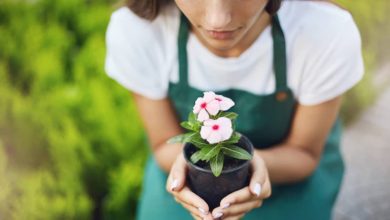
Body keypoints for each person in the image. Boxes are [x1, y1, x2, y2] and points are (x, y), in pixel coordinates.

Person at [104, 0, 364, 219]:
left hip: (287, 175)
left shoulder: (325, 33)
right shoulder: (137, 30)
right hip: (183, 174)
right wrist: (190, 170)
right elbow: (163, 143)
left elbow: (304, 153)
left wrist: (249, 167)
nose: (218, 20)